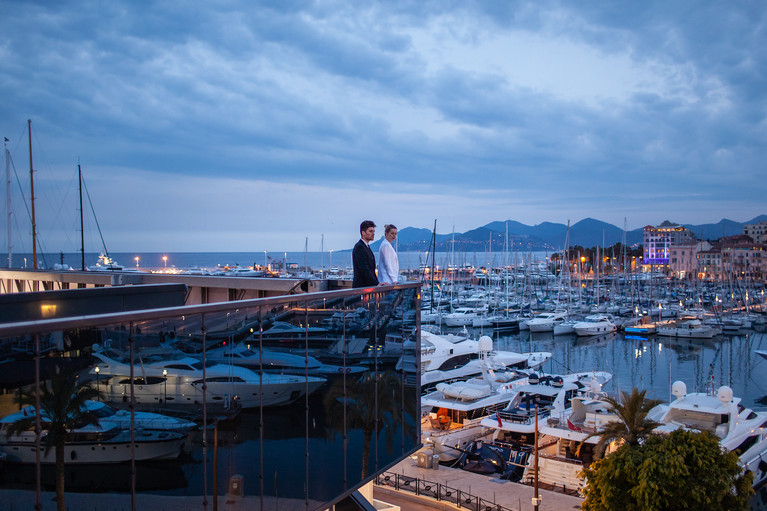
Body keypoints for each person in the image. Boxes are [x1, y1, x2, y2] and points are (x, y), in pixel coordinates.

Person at [352, 220, 379, 288]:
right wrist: (376, 284)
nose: (373, 233)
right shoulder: (360, 247)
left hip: (367, 287)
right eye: (370, 231)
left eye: (373, 231)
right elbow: (364, 269)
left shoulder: (366, 247)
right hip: (361, 288)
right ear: (363, 233)